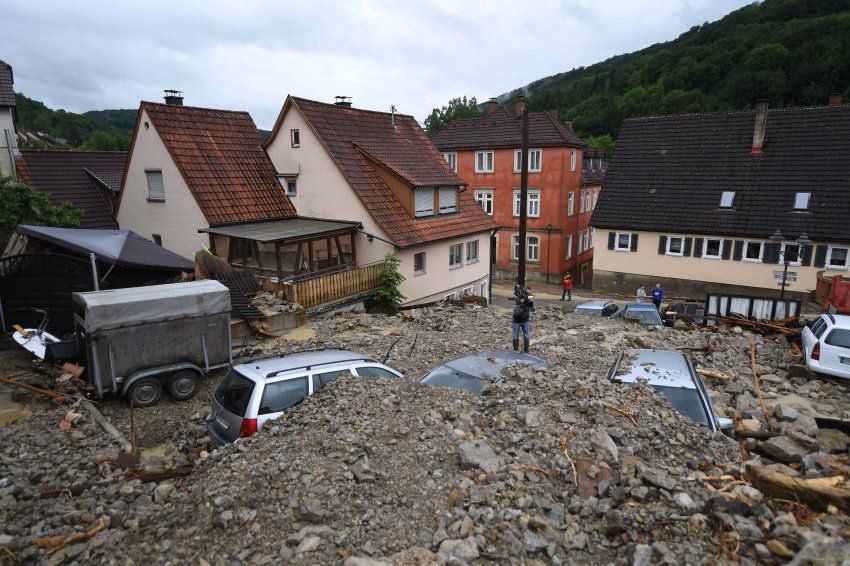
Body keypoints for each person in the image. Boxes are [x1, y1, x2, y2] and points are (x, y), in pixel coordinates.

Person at [512, 285, 535, 353]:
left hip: (525, 320)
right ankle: (515, 351)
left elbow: (533, 308)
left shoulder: (529, 298)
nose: (529, 294)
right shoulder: (518, 297)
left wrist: (530, 302)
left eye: (530, 293)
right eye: (528, 292)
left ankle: (526, 351)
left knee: (527, 336)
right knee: (515, 337)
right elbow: (516, 305)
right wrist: (520, 301)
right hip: (516, 320)